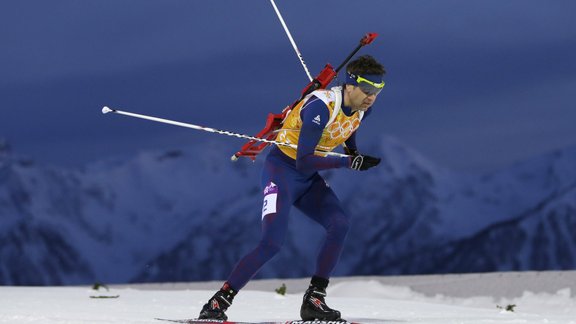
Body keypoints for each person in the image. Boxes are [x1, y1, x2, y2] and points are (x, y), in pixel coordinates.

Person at [198, 55, 386, 321]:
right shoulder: (320, 107)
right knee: (271, 244)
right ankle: (217, 304)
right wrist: (348, 161)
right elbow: (305, 160)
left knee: (339, 223)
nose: (371, 98)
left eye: (377, 92)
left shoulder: (364, 108)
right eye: (367, 91)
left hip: (308, 179)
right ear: (350, 85)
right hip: (283, 172)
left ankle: (314, 300)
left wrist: (353, 150)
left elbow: (349, 127)